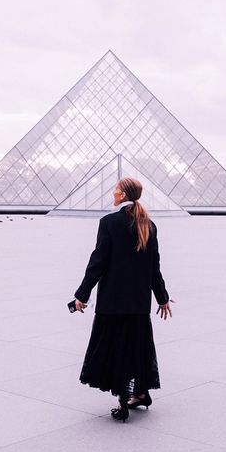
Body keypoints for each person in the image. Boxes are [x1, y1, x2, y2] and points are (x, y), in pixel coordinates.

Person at [72, 177, 172, 422]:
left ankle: (122, 403)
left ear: (123, 195)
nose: (113, 191)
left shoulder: (109, 223)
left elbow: (97, 263)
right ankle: (140, 393)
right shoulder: (149, 224)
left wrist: (81, 295)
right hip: (138, 303)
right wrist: (162, 298)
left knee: (115, 350)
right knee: (136, 349)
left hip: (113, 302)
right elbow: (154, 267)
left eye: (116, 188)